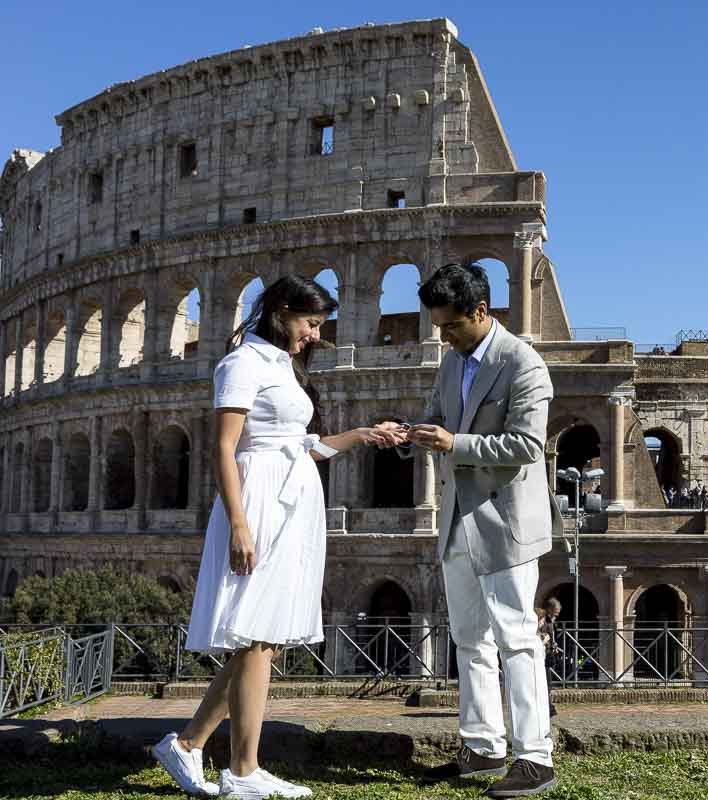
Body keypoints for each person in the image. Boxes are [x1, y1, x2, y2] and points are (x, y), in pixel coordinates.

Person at [151, 275, 390, 799]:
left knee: (264, 640)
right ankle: (241, 771)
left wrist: (364, 435)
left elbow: (298, 446)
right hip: (258, 502)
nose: (315, 335)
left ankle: (189, 746)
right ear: (282, 310)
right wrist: (239, 523)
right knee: (257, 637)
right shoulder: (241, 363)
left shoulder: (282, 366)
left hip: (292, 502)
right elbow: (223, 446)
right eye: (311, 323)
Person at [380, 263, 560, 798]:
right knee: (469, 639)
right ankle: (482, 747)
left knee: (517, 639)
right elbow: (438, 419)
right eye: (439, 327)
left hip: (505, 522)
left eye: (451, 326)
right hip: (457, 517)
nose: (444, 336)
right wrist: (409, 434)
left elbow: (527, 447)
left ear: (481, 312)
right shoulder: (451, 362)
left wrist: (452, 443)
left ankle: (535, 757)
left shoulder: (524, 364)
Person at [541, 597, 562, 717]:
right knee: (546, 684)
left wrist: (553, 644)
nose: (557, 614)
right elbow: (542, 636)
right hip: (543, 654)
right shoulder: (544, 620)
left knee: (548, 683)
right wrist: (548, 641)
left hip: (548, 653)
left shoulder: (550, 620)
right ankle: (548, 708)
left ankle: (549, 707)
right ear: (549, 609)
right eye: (556, 611)